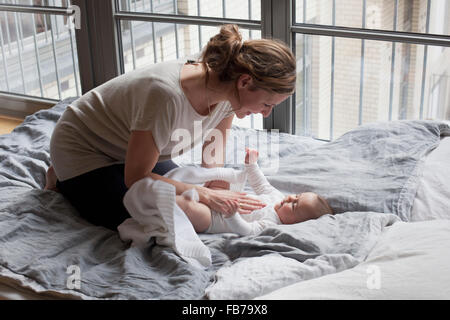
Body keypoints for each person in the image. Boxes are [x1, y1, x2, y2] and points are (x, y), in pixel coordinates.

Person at [45, 24, 297, 231]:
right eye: (267, 104)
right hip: (82, 150)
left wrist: (215, 185)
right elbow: (137, 178)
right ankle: (63, 179)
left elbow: (214, 149)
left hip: (124, 150)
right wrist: (205, 194)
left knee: (188, 198)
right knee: (153, 216)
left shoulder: (228, 92)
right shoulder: (166, 96)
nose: (266, 113)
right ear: (245, 81)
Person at [175, 148, 334, 236]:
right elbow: (260, 183)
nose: (290, 198)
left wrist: (232, 216)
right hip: (222, 195)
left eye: (294, 206)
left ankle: (159, 197)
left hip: (215, 219)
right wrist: (251, 165)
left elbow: (246, 230)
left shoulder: (272, 225)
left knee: (188, 207)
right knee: (222, 174)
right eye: (297, 196)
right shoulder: (277, 196)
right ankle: (183, 184)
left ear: (294, 224)